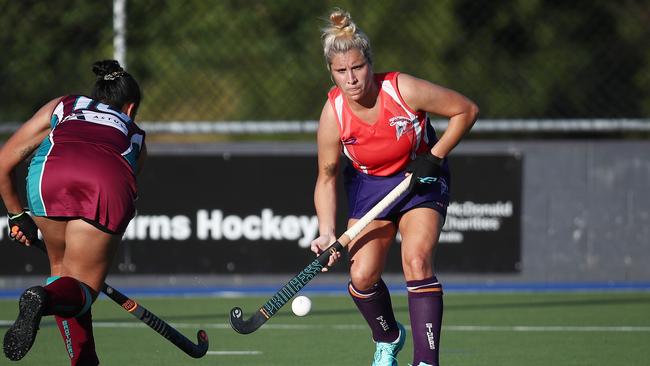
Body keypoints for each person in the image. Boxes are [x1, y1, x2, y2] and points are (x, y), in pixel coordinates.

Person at [310, 9, 478, 366]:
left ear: (370, 63)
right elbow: (326, 177)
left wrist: (434, 157)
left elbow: (466, 110)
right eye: (342, 71)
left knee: (416, 260)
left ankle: (426, 362)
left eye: (358, 67)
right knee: (362, 274)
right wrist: (326, 233)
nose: (352, 79)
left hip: (421, 179)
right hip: (371, 186)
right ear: (331, 73)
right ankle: (388, 337)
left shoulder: (401, 89)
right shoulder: (333, 114)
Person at [0, 60, 146, 365]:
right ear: (130, 108)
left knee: (64, 276)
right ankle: (44, 298)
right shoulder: (136, 135)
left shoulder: (64, 105)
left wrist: (17, 216)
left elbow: (3, 163)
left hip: (48, 176)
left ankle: (85, 360)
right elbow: (127, 186)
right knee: (81, 291)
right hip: (102, 183)